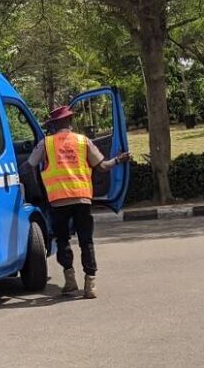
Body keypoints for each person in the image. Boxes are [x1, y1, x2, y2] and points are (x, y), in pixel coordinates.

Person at [27, 105, 131, 299]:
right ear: (70, 122)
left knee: (63, 240)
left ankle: (70, 281)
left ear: (54, 124)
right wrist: (119, 160)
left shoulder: (45, 144)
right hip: (82, 198)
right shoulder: (84, 142)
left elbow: (29, 166)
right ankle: (90, 284)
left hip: (58, 201)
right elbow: (103, 167)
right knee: (86, 241)